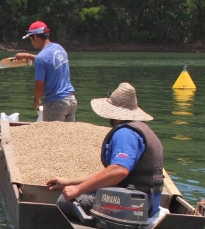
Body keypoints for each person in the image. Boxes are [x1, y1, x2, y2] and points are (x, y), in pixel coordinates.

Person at [46, 82, 164, 220]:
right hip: (146, 202)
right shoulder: (143, 129)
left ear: (115, 114)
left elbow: (119, 171)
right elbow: (110, 172)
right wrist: (69, 182)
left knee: (63, 201)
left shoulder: (126, 134)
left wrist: (78, 189)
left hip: (133, 206)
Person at [14, 21, 77, 122]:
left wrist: (36, 100)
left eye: (31, 39)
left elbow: (40, 86)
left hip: (55, 104)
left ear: (36, 37)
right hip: (71, 101)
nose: (31, 42)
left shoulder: (41, 58)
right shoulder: (59, 48)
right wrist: (28, 56)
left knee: (52, 136)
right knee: (67, 136)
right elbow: (50, 61)